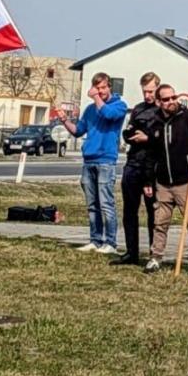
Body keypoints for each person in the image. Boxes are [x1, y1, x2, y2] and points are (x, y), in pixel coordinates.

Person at [56, 72, 128, 254]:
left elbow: (108, 114)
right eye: (97, 88)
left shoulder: (119, 105)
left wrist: (96, 97)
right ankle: (95, 240)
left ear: (109, 87)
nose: (100, 91)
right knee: (92, 205)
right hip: (89, 161)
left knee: (106, 204)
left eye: (103, 87)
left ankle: (110, 243)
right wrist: (65, 120)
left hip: (106, 161)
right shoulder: (90, 109)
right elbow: (78, 131)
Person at [144, 83, 188, 275]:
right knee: (160, 223)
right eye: (166, 99)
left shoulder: (187, 117)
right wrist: (148, 181)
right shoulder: (155, 123)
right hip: (163, 183)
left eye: (174, 97)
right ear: (159, 102)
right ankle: (156, 257)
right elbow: (150, 156)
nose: (171, 101)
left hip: (186, 181)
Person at [111, 71, 161, 266]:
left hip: (152, 167)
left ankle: (153, 253)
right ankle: (131, 252)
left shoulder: (162, 110)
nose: (147, 95)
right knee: (129, 210)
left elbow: (163, 138)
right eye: (144, 91)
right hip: (133, 163)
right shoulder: (139, 109)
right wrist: (130, 134)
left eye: (150, 91)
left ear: (157, 88)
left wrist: (148, 137)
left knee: (153, 213)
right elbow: (129, 131)